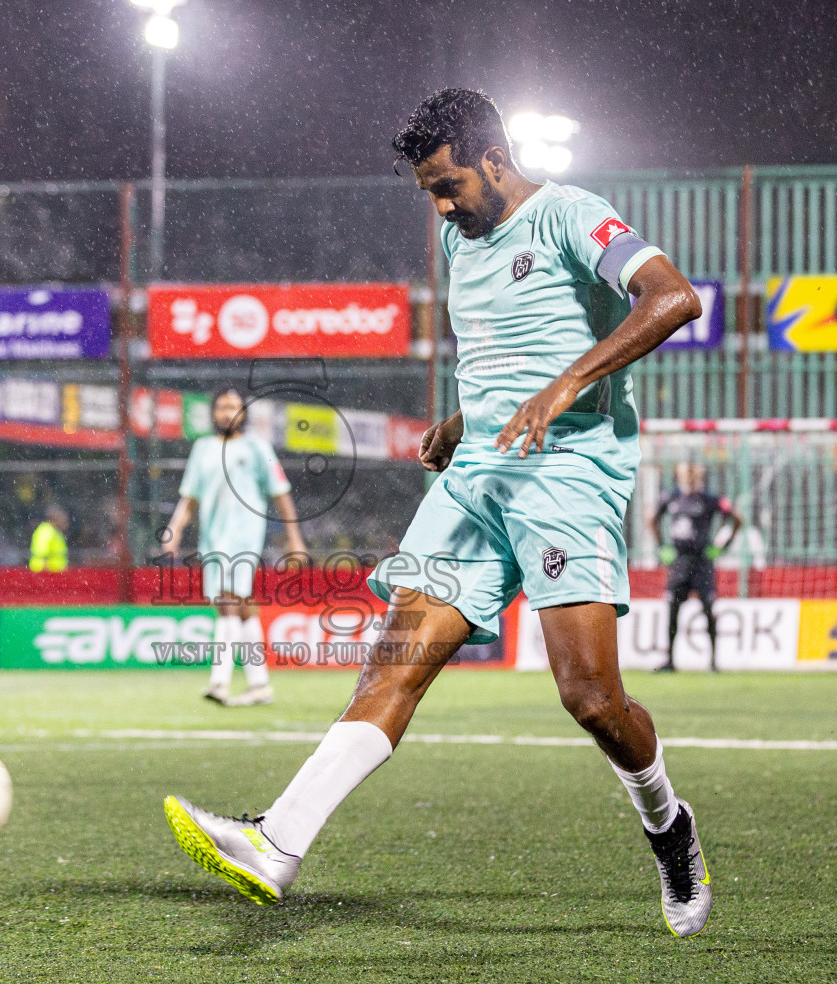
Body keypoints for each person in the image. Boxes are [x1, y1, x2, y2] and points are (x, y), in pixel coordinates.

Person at [162, 89, 712, 936]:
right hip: (475, 484)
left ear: (495, 158)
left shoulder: (572, 215)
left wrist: (565, 386)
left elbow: (673, 298)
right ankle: (276, 843)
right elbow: (501, 346)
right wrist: (466, 420)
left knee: (593, 701)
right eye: (428, 190)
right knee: (394, 664)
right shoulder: (462, 239)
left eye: (449, 184)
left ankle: (668, 824)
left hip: (566, 475)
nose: (441, 204)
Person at [161, 387, 307, 707]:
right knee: (239, 607)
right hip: (212, 538)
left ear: (244, 413)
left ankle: (219, 681)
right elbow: (190, 497)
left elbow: (280, 492)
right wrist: (174, 530)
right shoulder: (202, 449)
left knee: (228, 601)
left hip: (244, 536)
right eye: (223, 407)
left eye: (235, 407)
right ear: (213, 413)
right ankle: (260, 684)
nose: (229, 413)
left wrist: (295, 539)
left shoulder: (257, 447)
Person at [651, 462, 741, 672]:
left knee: (708, 609)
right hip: (679, 563)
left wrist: (721, 547)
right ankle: (670, 660)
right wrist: (661, 547)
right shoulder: (671, 498)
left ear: (699, 477)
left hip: (702, 563)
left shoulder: (709, 500)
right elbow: (652, 519)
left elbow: (736, 518)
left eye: (693, 475)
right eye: (685, 475)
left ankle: (713, 662)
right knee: (673, 610)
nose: (689, 478)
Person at [29, 505, 70, 573]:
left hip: (54, 573)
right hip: (46, 573)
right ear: (54, 518)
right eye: (62, 517)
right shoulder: (46, 531)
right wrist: (45, 576)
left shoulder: (56, 531)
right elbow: (42, 555)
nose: (65, 520)